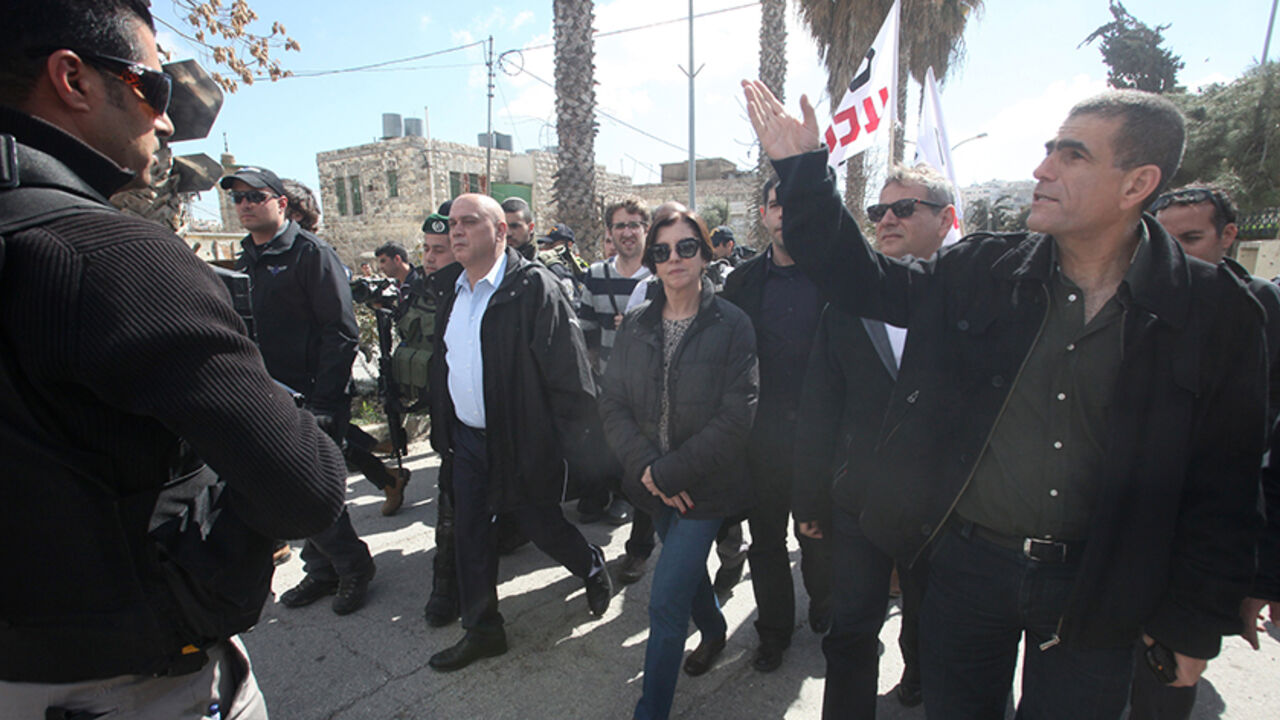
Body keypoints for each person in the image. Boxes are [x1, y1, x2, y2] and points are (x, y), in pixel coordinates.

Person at [743, 80, 1266, 719]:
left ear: (1137, 184)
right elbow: (863, 281)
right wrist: (802, 172)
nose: (1041, 169)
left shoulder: (1216, 309)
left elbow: (1226, 478)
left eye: (1072, 156)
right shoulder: (982, 272)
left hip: (1100, 588)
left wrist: (1192, 621)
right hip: (968, 571)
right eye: (1048, 149)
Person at [0, 1, 346, 716]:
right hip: (130, 683)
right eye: (152, 87)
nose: (164, 119)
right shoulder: (113, 254)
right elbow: (304, 485)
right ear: (72, 78)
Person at [794, 164, 958, 716]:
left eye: (904, 208)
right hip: (858, 506)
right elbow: (820, 407)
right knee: (850, 634)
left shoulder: (971, 301)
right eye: (877, 212)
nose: (887, 220)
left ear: (945, 219)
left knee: (939, 637)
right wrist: (811, 499)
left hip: (947, 510)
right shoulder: (844, 305)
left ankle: (918, 680)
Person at [425, 193, 613, 672]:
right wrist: (444, 430)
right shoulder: (453, 288)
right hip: (468, 441)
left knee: (539, 524)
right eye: (452, 224)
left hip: (521, 441)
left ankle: (590, 565)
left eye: (469, 222)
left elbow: (569, 375)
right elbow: (444, 364)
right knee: (470, 535)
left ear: (501, 232)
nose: (456, 231)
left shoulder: (533, 288)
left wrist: (574, 452)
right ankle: (483, 631)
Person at [1126, 184, 1280, 720]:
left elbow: (1256, 459)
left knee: (1164, 682)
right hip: (1126, 541)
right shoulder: (1135, 298)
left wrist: (1262, 577)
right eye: (1162, 239)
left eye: (1190, 238)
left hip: (1205, 544)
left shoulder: (1255, 309)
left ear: (1229, 236)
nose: (1173, 254)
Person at [600, 209, 758, 720]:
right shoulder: (638, 323)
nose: (674, 259)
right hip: (651, 484)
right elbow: (613, 404)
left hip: (704, 490)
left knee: (665, 600)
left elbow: (740, 415)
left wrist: (674, 473)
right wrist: (650, 468)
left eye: (686, 247)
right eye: (662, 250)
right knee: (686, 576)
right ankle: (715, 632)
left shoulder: (733, 324)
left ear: (707, 253)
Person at [225, 164, 379, 616]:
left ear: (281, 203)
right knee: (290, 488)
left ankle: (353, 565)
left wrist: (325, 402)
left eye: (255, 196)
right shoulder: (246, 259)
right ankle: (323, 568)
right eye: (238, 198)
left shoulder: (311, 253)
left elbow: (342, 331)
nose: (246, 204)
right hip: (266, 394)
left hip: (313, 397)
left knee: (309, 488)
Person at [720, 176, 833, 673]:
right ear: (764, 215)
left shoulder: (838, 276)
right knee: (766, 542)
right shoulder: (742, 281)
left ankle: (828, 608)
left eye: (793, 204)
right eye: (774, 205)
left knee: (819, 539)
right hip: (760, 441)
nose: (783, 213)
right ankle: (773, 634)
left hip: (822, 442)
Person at [577, 197, 653, 531]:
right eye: (619, 225)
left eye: (634, 224)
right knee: (606, 442)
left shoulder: (660, 276)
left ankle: (629, 499)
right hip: (608, 383)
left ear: (646, 229)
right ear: (609, 231)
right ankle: (606, 493)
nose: (627, 232)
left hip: (649, 385)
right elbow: (587, 331)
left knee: (638, 446)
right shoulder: (595, 275)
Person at [501, 196, 537, 261]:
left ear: (530, 228)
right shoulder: (487, 264)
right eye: (503, 227)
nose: (508, 233)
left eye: (514, 226)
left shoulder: (546, 267)